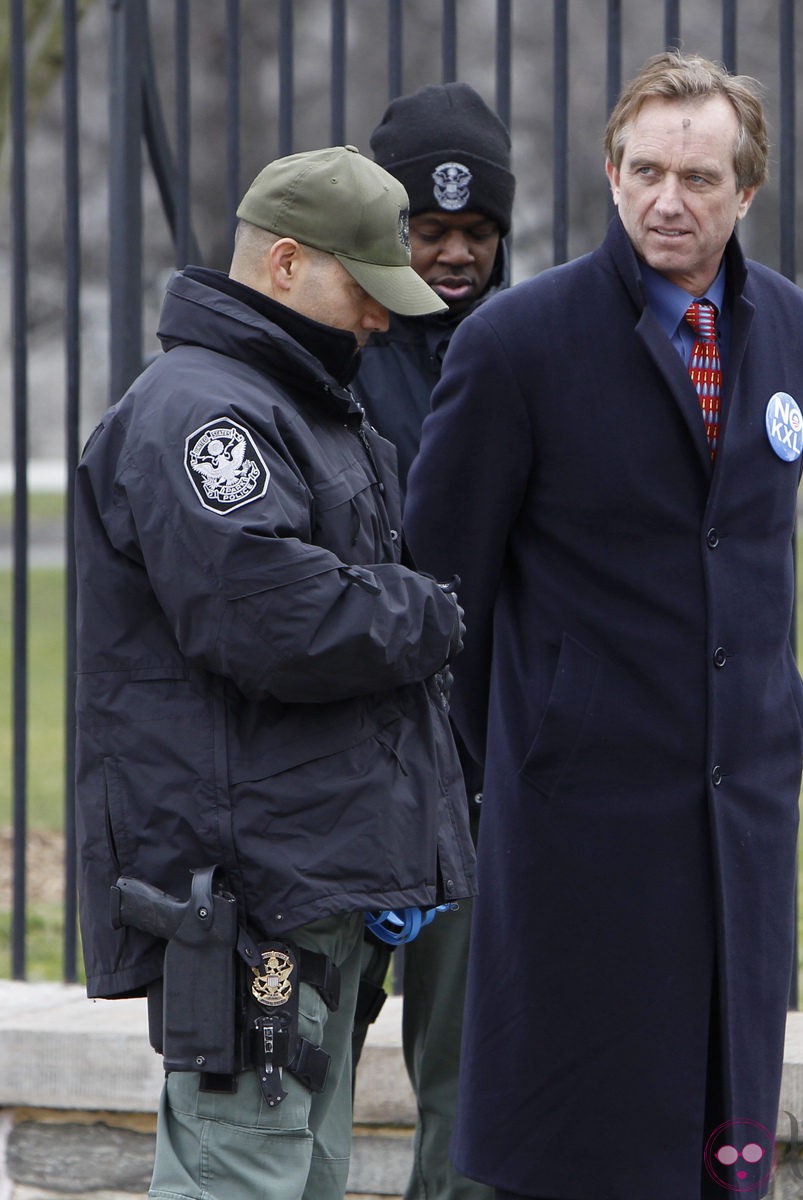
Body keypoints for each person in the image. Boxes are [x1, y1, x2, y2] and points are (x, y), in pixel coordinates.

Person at [404, 51, 803, 1200]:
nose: (667, 199)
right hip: (576, 818)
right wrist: (520, 744)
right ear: (609, 174)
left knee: (719, 1133)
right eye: (644, 170)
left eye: (698, 177)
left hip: (737, 810)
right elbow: (442, 584)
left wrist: (773, 719)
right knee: (578, 1140)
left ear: (744, 191)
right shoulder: (515, 345)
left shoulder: (795, 336)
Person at [73, 145, 477, 1200]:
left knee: (298, 1173)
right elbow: (268, 615)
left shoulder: (293, 401)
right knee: (243, 1176)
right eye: (365, 289)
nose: (382, 321)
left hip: (308, 875)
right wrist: (428, 611)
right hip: (254, 887)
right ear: (287, 262)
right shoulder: (203, 413)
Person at [351, 82, 514, 1200]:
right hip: (343, 766)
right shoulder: (333, 351)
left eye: (475, 232)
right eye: (428, 230)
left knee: (463, 1085)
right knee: (291, 1058)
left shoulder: (526, 348)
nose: (453, 255)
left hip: (473, 773)